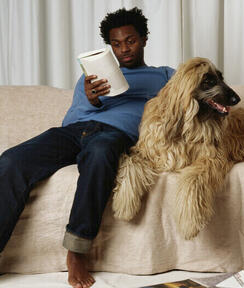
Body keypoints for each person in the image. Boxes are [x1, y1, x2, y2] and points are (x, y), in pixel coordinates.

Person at [0, 7, 174, 288]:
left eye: (130, 41)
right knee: (10, 160)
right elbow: (73, 118)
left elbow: (196, 88)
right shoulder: (89, 78)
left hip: (114, 135)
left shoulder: (164, 76)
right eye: (116, 44)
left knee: (100, 153)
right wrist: (92, 99)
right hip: (72, 133)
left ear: (143, 39)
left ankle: (77, 251)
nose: (124, 49)